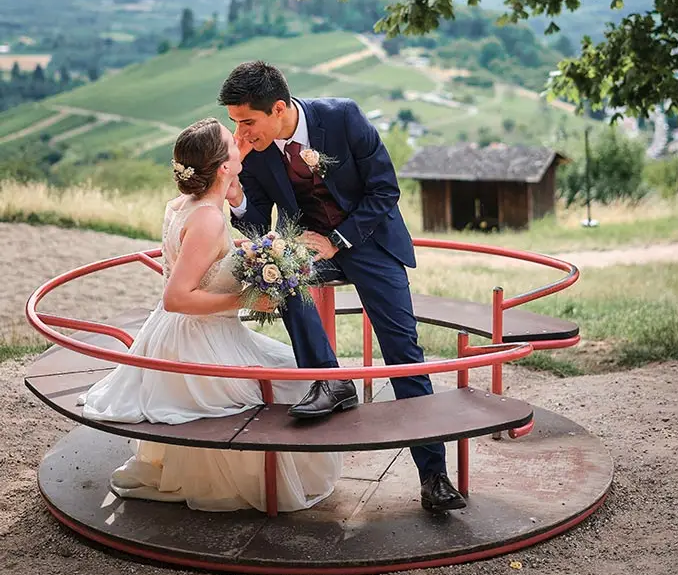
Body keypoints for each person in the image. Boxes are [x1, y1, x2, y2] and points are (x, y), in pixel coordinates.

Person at [220, 60, 467, 513]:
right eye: (235, 123)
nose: (240, 134)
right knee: (279, 271)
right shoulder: (254, 152)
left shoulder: (342, 117)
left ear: (278, 110)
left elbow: (384, 190)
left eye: (247, 122)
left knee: (403, 352)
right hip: (310, 248)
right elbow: (256, 222)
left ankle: (434, 476)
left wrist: (338, 239)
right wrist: (237, 198)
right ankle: (331, 380)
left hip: (369, 240)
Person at [80, 117, 341, 512]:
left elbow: (206, 259)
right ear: (222, 167)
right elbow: (176, 297)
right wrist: (246, 301)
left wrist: (247, 244)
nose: (239, 140)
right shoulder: (208, 219)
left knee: (288, 368)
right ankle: (253, 482)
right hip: (196, 342)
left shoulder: (186, 204)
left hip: (181, 332)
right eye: (231, 142)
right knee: (291, 384)